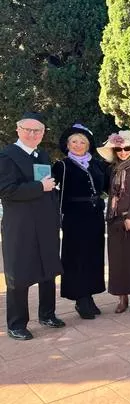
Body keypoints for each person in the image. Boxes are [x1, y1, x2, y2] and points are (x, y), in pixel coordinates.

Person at [0, 113, 64, 340]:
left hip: (45, 223)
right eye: (27, 129)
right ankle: (16, 324)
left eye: (37, 131)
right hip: (20, 225)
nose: (32, 134)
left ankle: (47, 314)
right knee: (19, 272)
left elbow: (46, 186)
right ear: (18, 130)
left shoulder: (42, 154)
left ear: (43, 133)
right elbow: (7, 191)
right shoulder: (7, 156)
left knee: (48, 268)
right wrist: (40, 187)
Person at [52, 123, 107, 320]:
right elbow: (51, 190)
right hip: (75, 218)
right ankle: (80, 298)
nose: (78, 144)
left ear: (88, 144)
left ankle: (90, 294)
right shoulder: (62, 166)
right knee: (77, 257)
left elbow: (109, 185)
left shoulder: (98, 164)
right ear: (67, 144)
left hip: (95, 217)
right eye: (74, 141)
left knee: (93, 255)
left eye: (82, 141)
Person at [98, 130, 130, 314]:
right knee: (118, 259)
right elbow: (110, 192)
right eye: (119, 149)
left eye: (127, 148)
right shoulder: (112, 168)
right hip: (114, 218)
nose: (123, 152)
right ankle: (122, 297)